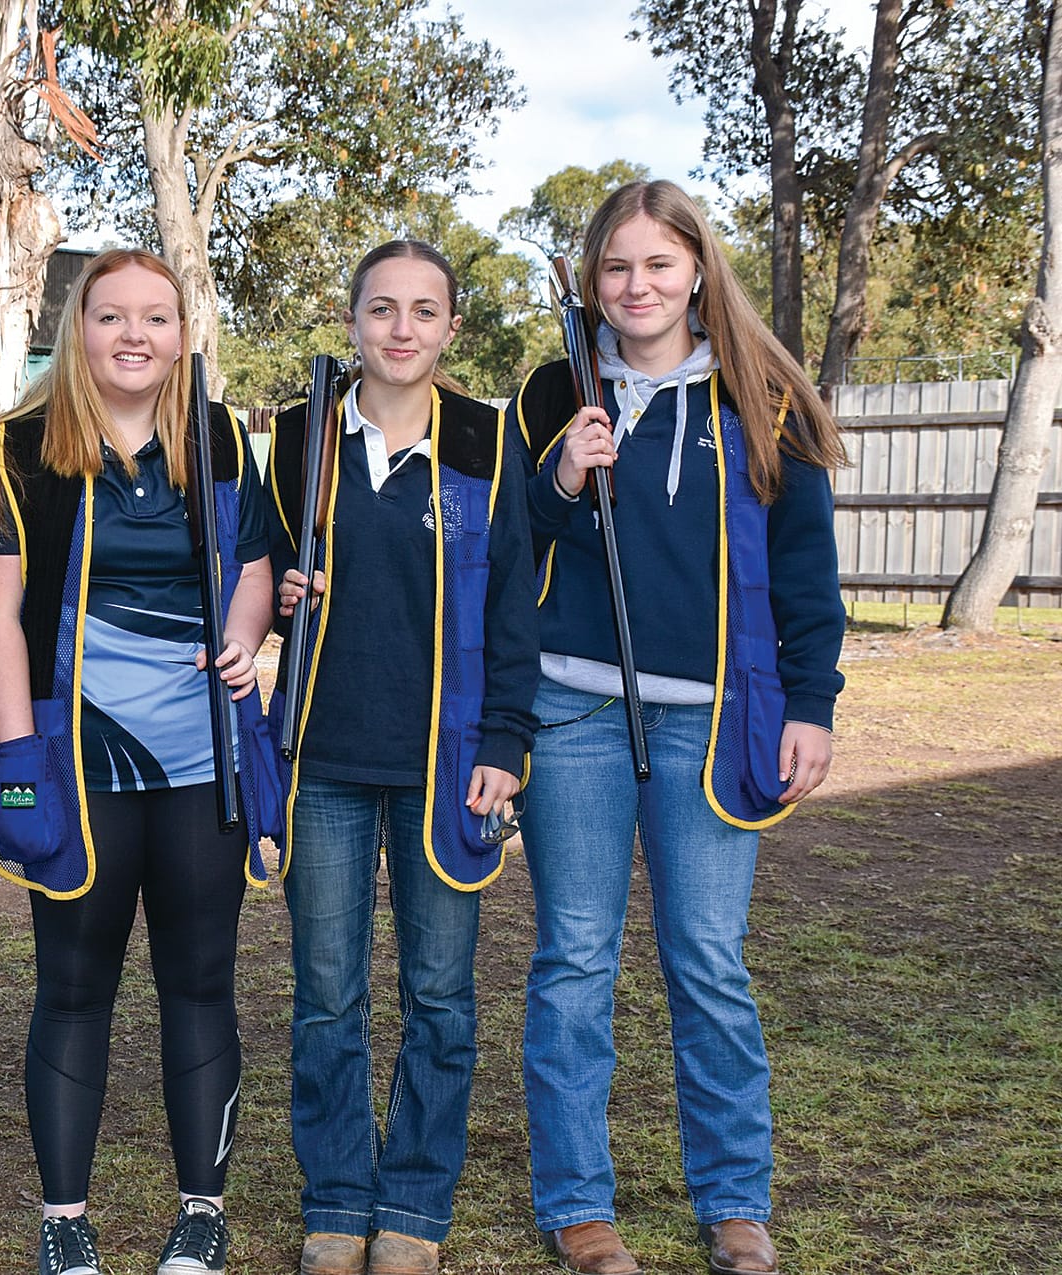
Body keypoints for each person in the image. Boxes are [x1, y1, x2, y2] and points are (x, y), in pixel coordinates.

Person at [509, 180, 846, 1275]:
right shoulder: (555, 387)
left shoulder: (761, 397)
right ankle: (577, 1205)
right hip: (570, 709)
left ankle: (733, 1202)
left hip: (709, 719)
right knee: (572, 960)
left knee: (704, 959)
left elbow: (803, 574)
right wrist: (561, 473)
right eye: (614, 268)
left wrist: (811, 704)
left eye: (656, 265)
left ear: (697, 268)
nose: (635, 286)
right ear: (590, 280)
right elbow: (506, 546)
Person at [0, 248, 277, 1275]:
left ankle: (202, 1212)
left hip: (203, 764)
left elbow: (251, 566)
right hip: (78, 763)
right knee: (72, 987)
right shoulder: (20, 445)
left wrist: (246, 633)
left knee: (198, 983)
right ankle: (65, 1222)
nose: (134, 336)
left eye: (155, 319)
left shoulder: (218, 439)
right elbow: (4, 617)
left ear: (179, 335)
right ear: (79, 329)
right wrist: (16, 751)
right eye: (111, 317)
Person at [268, 241, 538, 1275]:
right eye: (380, 308)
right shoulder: (302, 437)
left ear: (449, 330)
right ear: (350, 322)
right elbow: (258, 568)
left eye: (423, 311)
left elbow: (513, 604)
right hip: (325, 758)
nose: (399, 328)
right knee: (326, 993)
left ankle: (415, 1209)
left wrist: (504, 744)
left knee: (438, 994)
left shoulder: (486, 441)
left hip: (446, 760)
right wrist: (282, 599)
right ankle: (336, 1200)